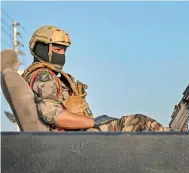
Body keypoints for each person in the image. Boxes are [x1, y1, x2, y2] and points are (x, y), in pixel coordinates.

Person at [22, 25, 172, 132]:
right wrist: (93, 122)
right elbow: (54, 115)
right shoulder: (44, 77)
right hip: (75, 136)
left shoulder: (42, 76)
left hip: (78, 133)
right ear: (41, 48)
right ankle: (175, 142)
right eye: (57, 49)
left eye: (64, 50)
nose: (62, 54)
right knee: (139, 123)